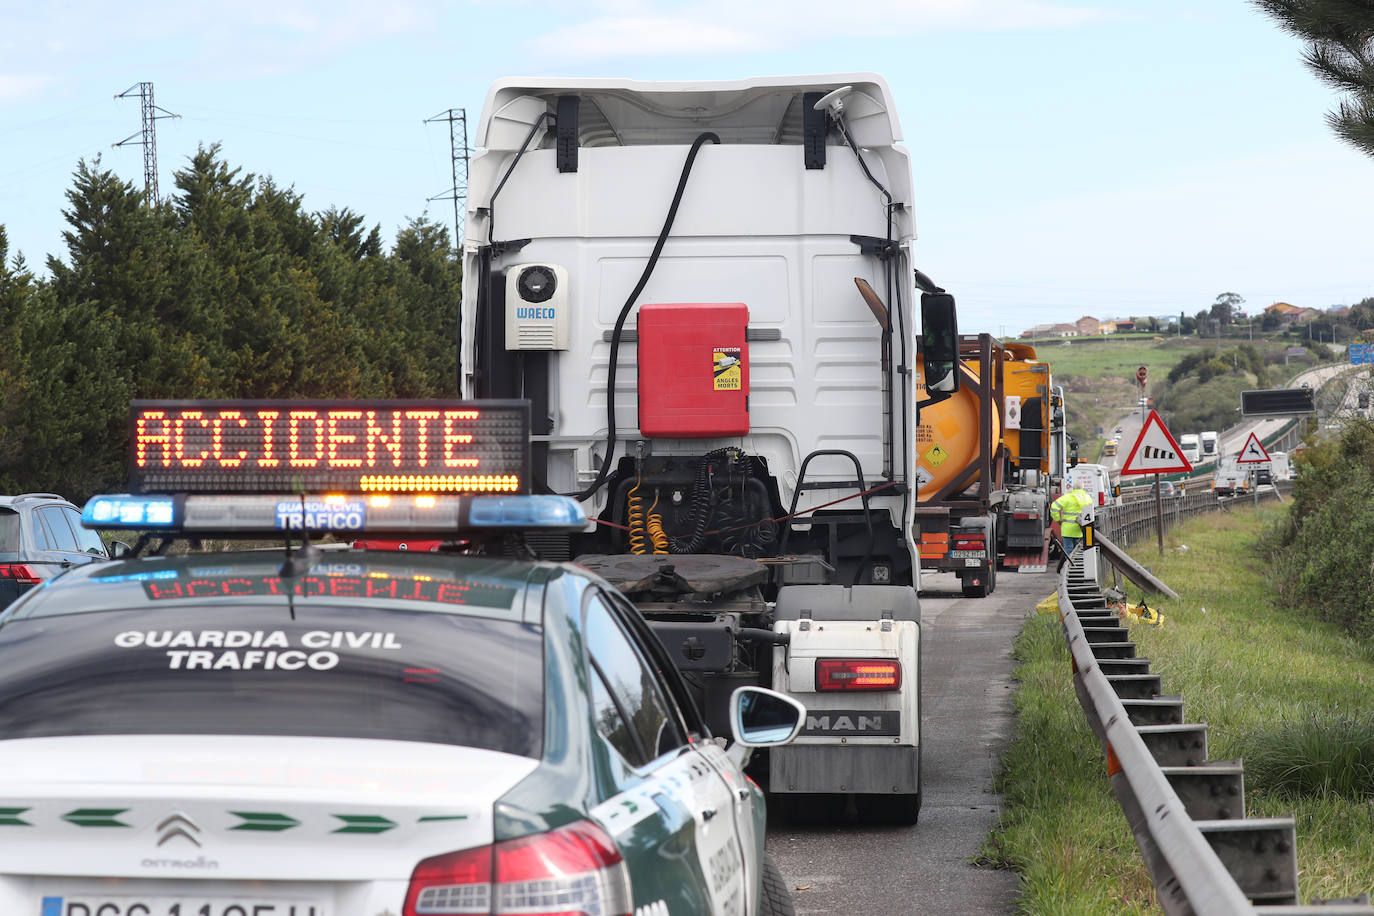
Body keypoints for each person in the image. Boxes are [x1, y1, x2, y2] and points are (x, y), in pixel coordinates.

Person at [1050, 487, 1093, 570]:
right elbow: (1091, 512)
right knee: (1078, 550)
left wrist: (1058, 519)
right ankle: (1078, 568)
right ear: (1082, 488)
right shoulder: (1087, 498)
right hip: (1079, 530)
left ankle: (1070, 568)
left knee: (1068, 550)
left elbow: (1054, 507)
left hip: (1067, 530)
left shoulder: (1067, 497)